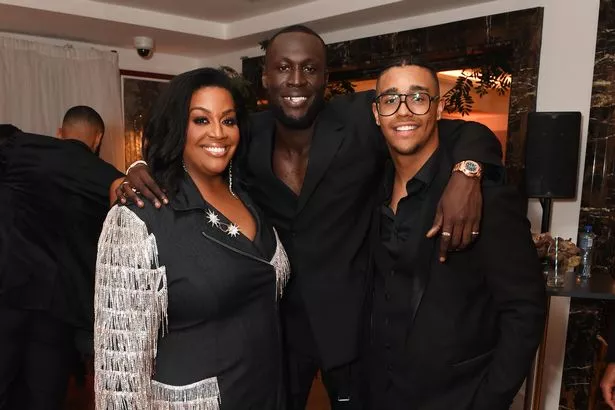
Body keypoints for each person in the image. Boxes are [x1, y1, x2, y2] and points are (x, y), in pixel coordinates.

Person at [117, 25, 504, 409]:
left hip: (351, 329)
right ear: (266, 77)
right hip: (275, 332)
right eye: (284, 68)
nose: (296, 80)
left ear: (325, 78)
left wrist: (467, 171)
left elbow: (465, 132)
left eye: (309, 68)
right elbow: (184, 150)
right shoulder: (245, 131)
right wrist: (131, 168)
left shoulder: (359, 120)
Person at [94, 67, 290, 409]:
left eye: (228, 121)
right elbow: (118, 371)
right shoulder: (138, 218)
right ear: (176, 127)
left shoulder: (248, 196)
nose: (218, 133)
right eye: (201, 120)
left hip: (265, 391)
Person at [365, 61, 546, 409]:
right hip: (380, 392)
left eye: (418, 97)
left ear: (439, 106)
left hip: (458, 396)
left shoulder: (480, 198)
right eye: (390, 100)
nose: (404, 111)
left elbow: (524, 308)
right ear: (376, 113)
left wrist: (489, 399)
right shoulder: (370, 186)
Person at [0, 106, 122, 410]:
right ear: (97, 139)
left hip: (10, 292)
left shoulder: (22, 150)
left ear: (59, 132)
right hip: (62, 308)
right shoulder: (110, 178)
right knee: (44, 397)